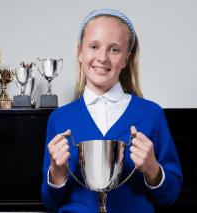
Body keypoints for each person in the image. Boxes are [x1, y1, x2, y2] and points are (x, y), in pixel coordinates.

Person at [41, 8, 183, 213]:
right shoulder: (59, 119)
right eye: (94, 46)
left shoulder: (152, 115)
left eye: (114, 49)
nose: (103, 58)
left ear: (127, 58)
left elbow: (169, 197)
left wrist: (152, 168)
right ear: (80, 52)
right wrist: (56, 171)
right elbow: (51, 203)